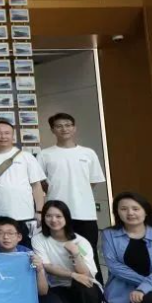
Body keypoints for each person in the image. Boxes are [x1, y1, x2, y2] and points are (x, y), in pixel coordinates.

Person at [37, 113, 106, 282]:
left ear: (74, 128)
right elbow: (40, 183)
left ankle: (95, 292)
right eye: (59, 126)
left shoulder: (88, 153)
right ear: (53, 130)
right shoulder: (45, 155)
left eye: (68, 125)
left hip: (85, 213)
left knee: (88, 254)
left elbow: (92, 181)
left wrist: (78, 192)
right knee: (58, 254)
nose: (64, 129)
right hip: (56, 216)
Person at [32, 200, 104, 303]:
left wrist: (76, 254)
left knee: (85, 285)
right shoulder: (39, 239)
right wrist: (72, 274)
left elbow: (87, 274)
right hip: (57, 285)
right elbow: (47, 266)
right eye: (49, 216)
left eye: (58, 216)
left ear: (66, 218)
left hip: (84, 284)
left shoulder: (81, 242)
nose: (53, 220)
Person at [0, 120, 46, 248]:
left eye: (7, 133)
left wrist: (39, 211)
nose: (3, 136)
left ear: (13, 135)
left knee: (27, 250)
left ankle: (28, 263)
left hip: (25, 214)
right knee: (0, 249)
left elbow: (36, 186)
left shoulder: (26, 156)